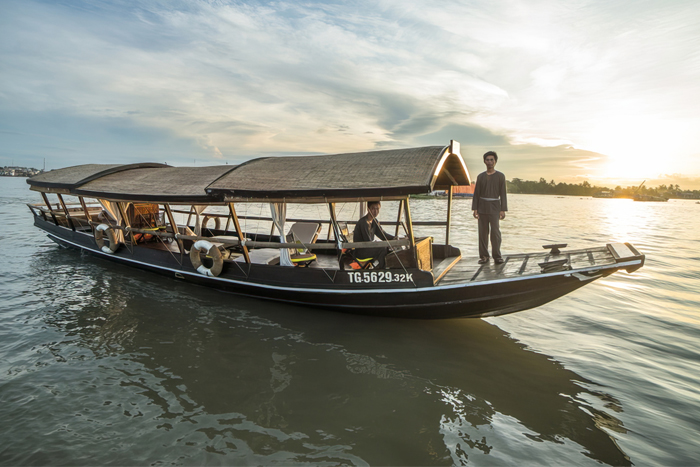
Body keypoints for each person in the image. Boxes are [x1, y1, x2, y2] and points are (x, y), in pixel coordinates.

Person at [472, 151, 507, 264]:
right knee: (483, 233)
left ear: (495, 161)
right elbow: (476, 193)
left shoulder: (500, 176)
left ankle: (497, 256)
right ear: (484, 161)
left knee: (495, 232)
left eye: (492, 160)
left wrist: (503, 209)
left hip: (495, 207)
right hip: (482, 207)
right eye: (487, 160)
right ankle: (484, 256)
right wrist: (475, 209)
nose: (490, 162)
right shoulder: (480, 177)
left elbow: (503, 194)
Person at [353, 201, 395, 268]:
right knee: (382, 249)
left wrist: (395, 238)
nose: (375, 211)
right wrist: (378, 244)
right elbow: (368, 241)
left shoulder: (374, 221)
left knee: (388, 248)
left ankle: (387, 267)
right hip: (361, 251)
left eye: (377, 209)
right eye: (373, 208)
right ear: (368, 209)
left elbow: (383, 235)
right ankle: (381, 270)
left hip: (369, 247)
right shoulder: (363, 222)